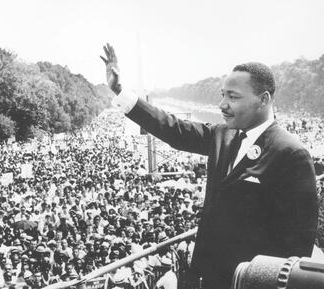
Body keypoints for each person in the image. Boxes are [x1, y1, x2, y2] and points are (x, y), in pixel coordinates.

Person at [101, 43, 318, 289]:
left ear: (263, 99)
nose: (222, 104)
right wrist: (120, 90)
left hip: (246, 281)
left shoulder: (291, 153)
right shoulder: (222, 134)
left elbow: (296, 247)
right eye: (222, 94)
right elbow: (173, 129)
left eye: (233, 97)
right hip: (205, 276)